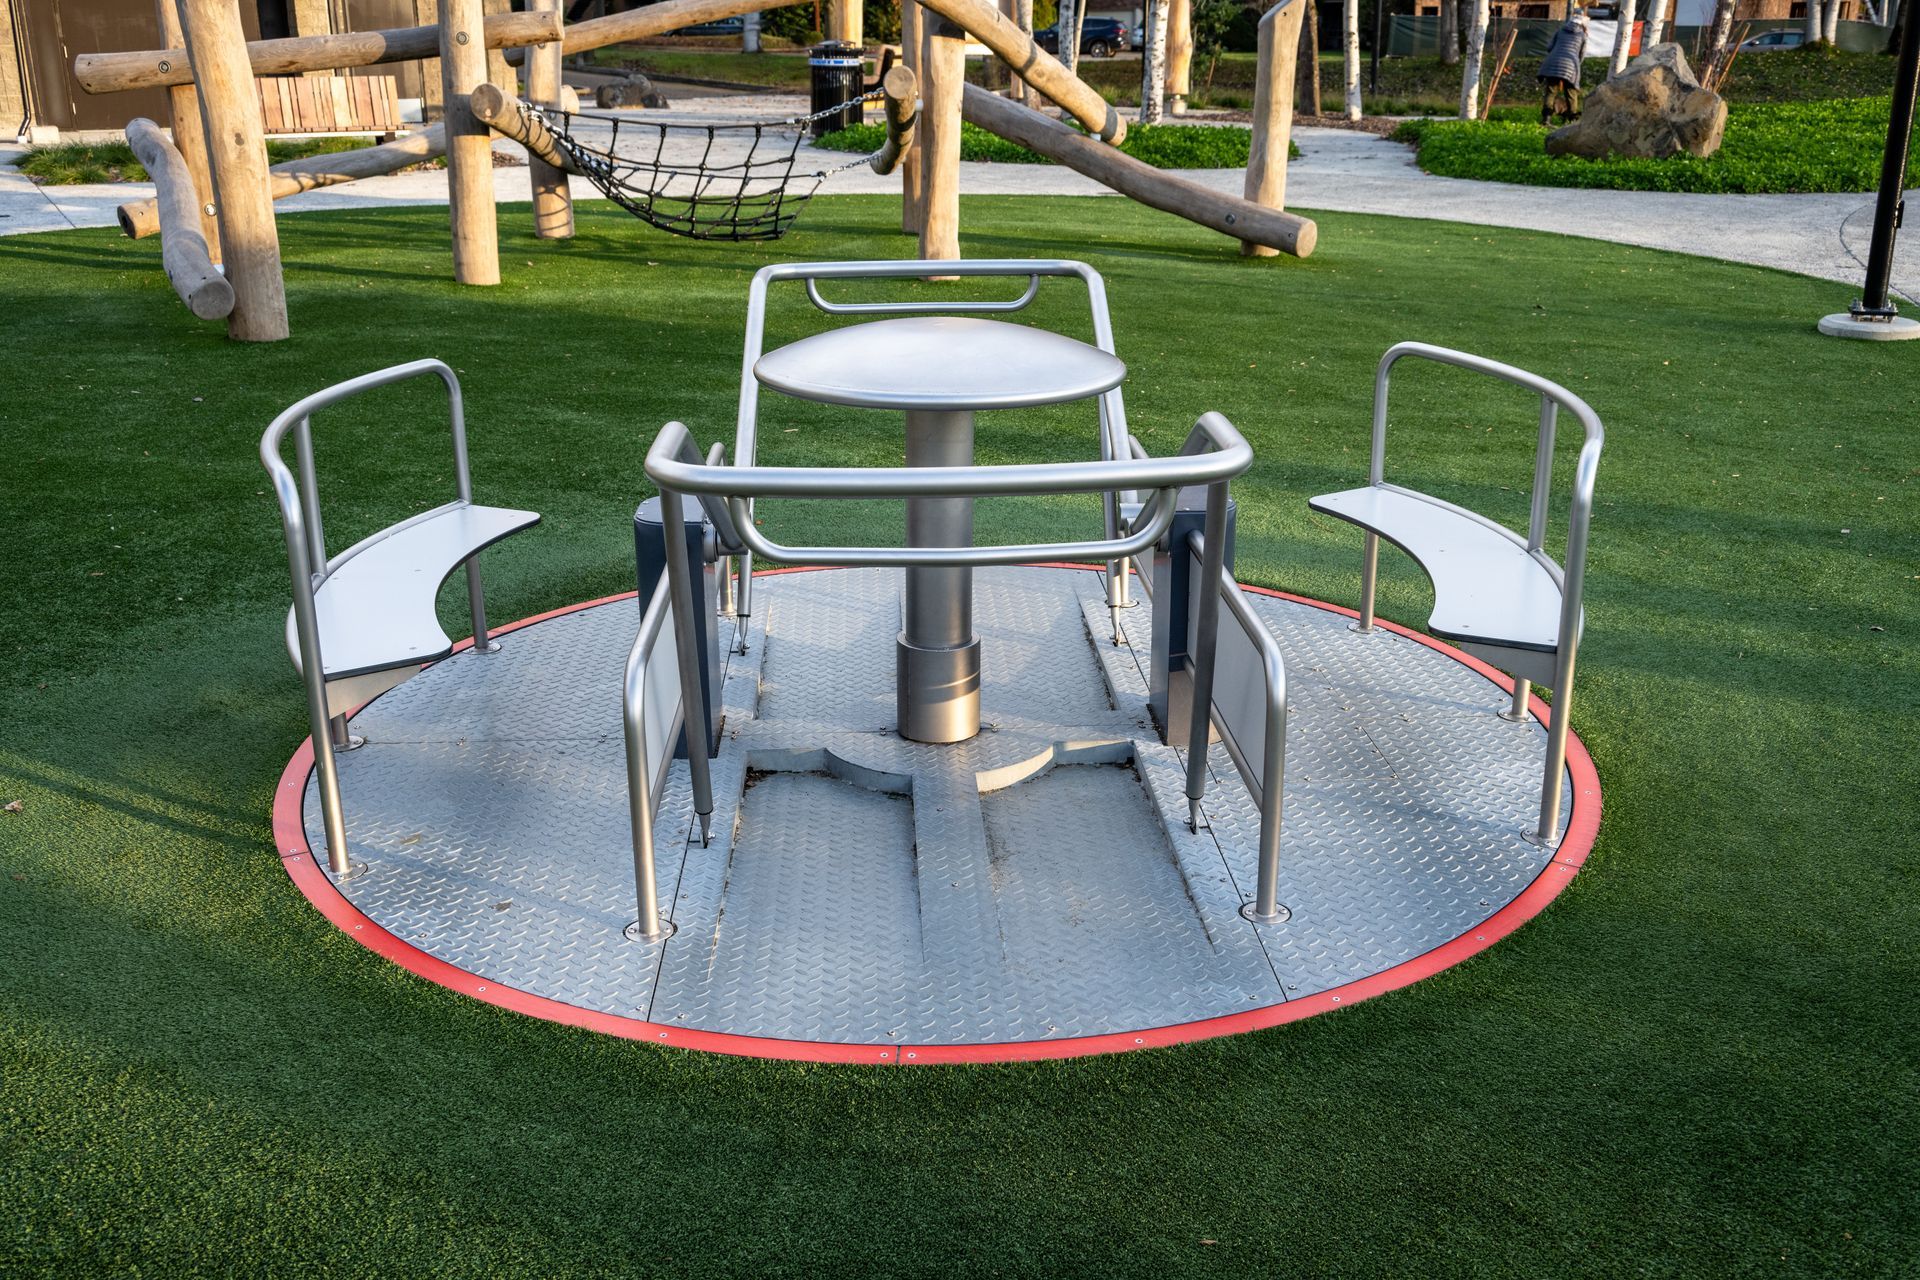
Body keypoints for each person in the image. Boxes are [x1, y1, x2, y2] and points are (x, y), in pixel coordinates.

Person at [1538, 8, 1590, 126]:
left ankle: (1546, 120)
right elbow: (1582, 55)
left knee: (1551, 92)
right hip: (1571, 64)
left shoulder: (1560, 30)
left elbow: (1549, 47)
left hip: (1552, 62)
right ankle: (1572, 121)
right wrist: (1576, 65)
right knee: (1571, 93)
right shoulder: (1582, 35)